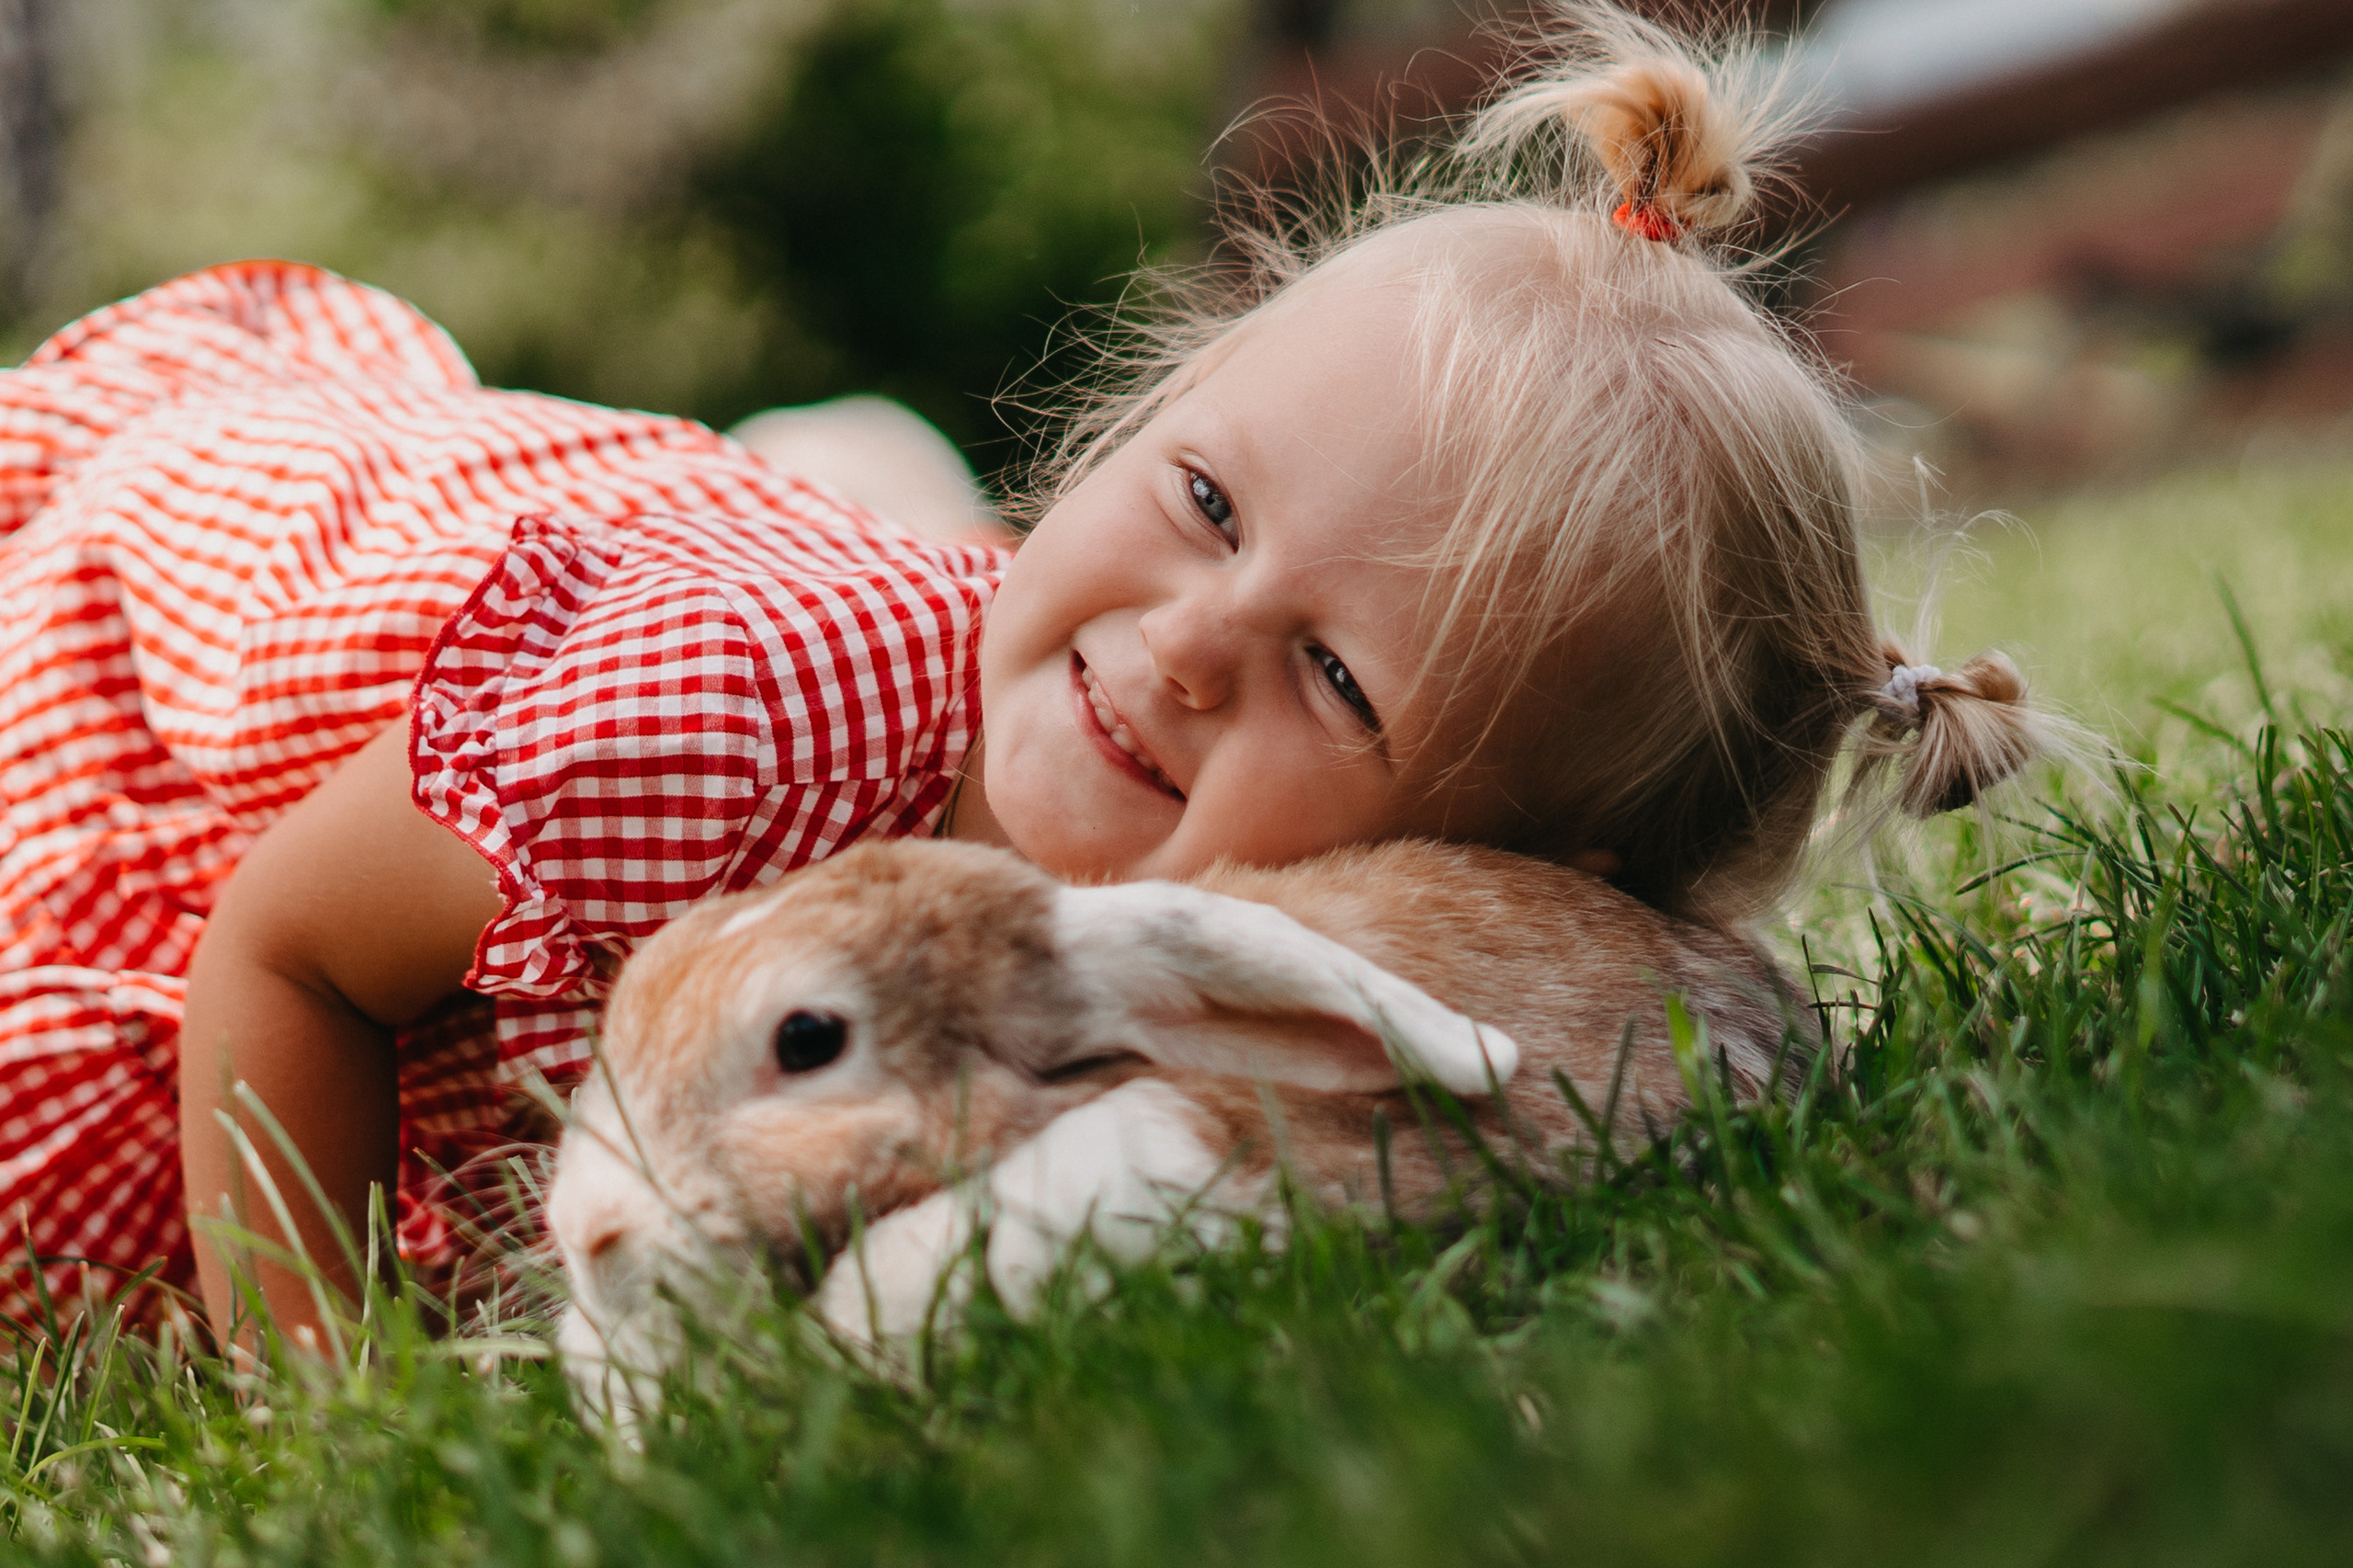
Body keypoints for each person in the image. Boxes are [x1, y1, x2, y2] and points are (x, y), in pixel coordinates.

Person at [0, 6, 2052, 1346]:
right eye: (1201, 499)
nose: (1172, 649)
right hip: (138, 774)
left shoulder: (1235, 1026)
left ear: (1446, 872)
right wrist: (343, 1422)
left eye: (1331, 681)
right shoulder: (716, 717)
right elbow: (276, 954)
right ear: (1139, 415)